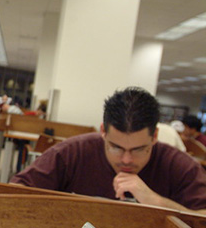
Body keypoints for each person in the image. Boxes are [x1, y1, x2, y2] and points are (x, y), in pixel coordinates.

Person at [11, 87, 206, 214]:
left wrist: (155, 201)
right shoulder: (72, 152)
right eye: (116, 147)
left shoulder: (181, 166)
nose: (127, 160)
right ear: (103, 131)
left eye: (139, 149)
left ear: (154, 136)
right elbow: (14, 194)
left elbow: (202, 218)